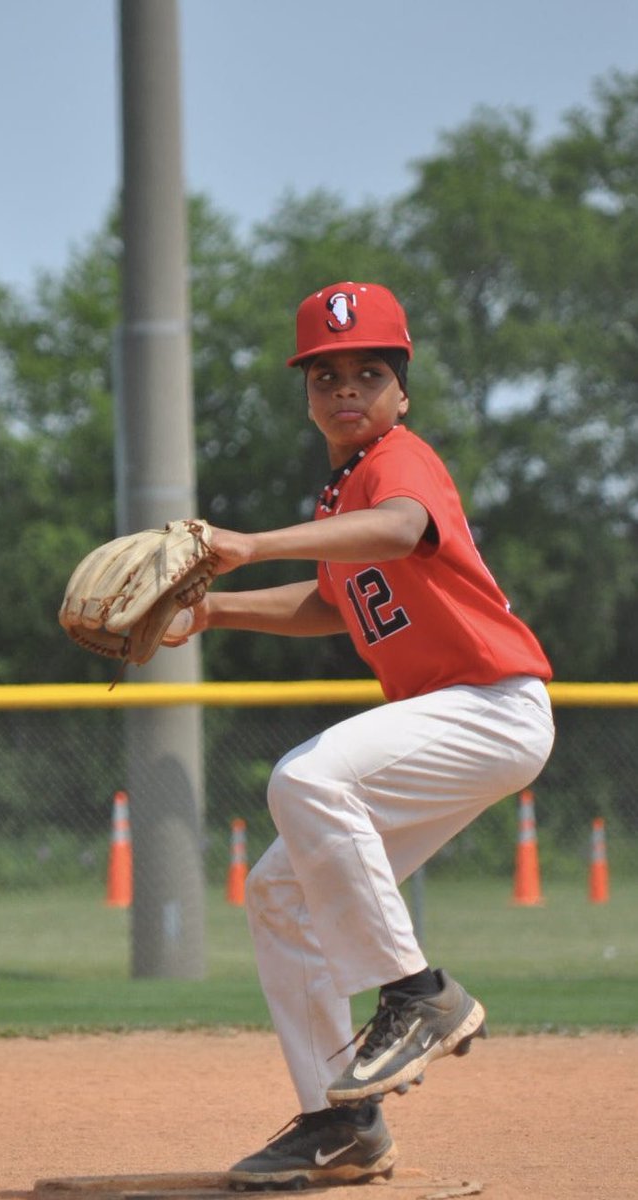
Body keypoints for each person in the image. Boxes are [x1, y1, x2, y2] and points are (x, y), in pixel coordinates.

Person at [168, 281, 554, 1189]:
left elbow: (397, 530)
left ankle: (417, 995)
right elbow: (334, 600)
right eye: (325, 376)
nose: (345, 391)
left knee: (303, 779)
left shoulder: (396, 462)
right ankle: (338, 1125)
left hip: (493, 701)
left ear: (401, 392)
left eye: (368, 372)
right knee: (279, 895)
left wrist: (250, 543)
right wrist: (212, 610)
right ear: (308, 397)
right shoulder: (342, 485)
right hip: (457, 717)